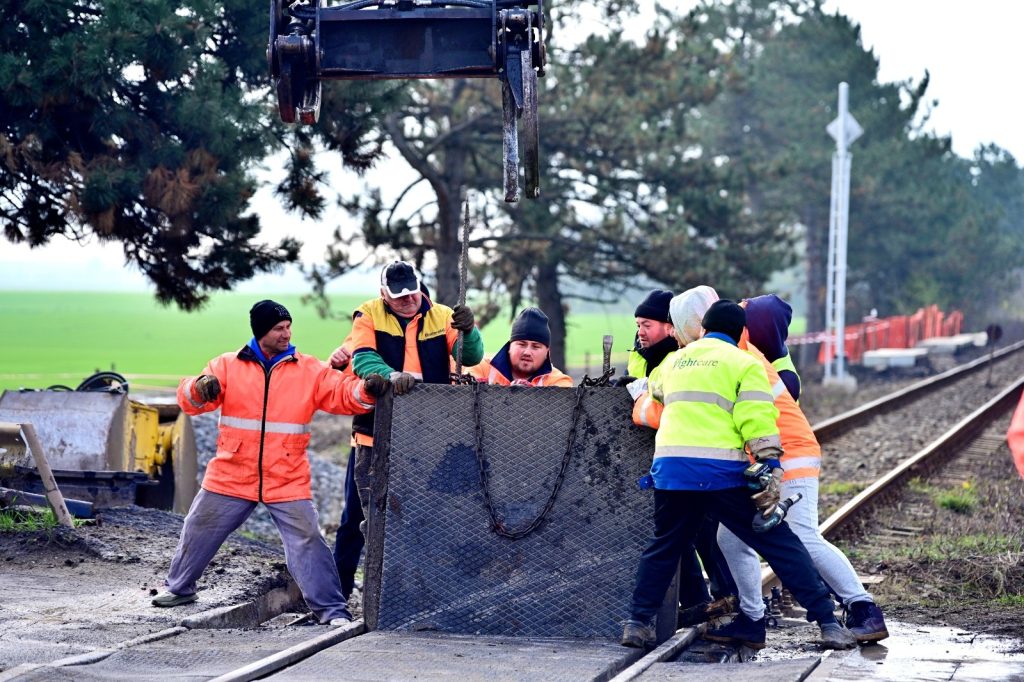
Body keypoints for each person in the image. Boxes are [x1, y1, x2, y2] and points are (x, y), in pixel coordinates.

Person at [621, 300, 856, 651]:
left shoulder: (674, 361)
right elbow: (757, 420)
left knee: (664, 546)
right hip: (719, 474)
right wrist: (772, 467)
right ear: (739, 333)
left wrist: (639, 390)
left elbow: (655, 391)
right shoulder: (744, 363)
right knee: (779, 542)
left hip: (671, 472)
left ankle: (638, 623)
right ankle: (827, 622)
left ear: (703, 329)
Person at [151, 300, 388, 626]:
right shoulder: (226, 366)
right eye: (279, 328)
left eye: (288, 327)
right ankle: (179, 588)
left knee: (307, 541)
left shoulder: (309, 370)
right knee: (199, 526)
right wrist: (199, 388)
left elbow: (343, 394)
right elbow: (188, 402)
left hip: (286, 474)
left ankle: (333, 612)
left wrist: (367, 389)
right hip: (232, 472)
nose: (286, 333)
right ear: (261, 331)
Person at [672, 289, 888, 644]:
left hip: (788, 454)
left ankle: (863, 608)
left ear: (697, 326)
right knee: (731, 537)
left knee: (802, 536)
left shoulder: (730, 355)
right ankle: (752, 619)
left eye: (681, 329)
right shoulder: (735, 348)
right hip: (777, 453)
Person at [330, 261, 483, 595]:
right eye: (399, 296)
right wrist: (389, 376)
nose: (408, 300)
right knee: (358, 519)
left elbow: (468, 357)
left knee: (426, 518)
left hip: (429, 439)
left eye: (412, 293)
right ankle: (338, 597)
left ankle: (420, 593)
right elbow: (363, 359)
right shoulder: (367, 315)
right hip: (374, 437)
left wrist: (469, 331)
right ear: (384, 294)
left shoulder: (442, 316)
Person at [623, 288, 738, 625]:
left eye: (647, 324)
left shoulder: (681, 357)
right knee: (680, 536)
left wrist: (638, 397)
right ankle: (701, 602)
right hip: (669, 458)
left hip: (688, 456)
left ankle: (718, 597)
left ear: (669, 326)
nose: (640, 331)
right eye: (638, 324)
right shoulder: (642, 353)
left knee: (694, 531)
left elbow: (664, 407)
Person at [469, 307, 572, 387]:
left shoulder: (559, 382)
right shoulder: (482, 368)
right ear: (509, 346)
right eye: (522, 344)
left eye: (536, 347)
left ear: (547, 353)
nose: (527, 352)